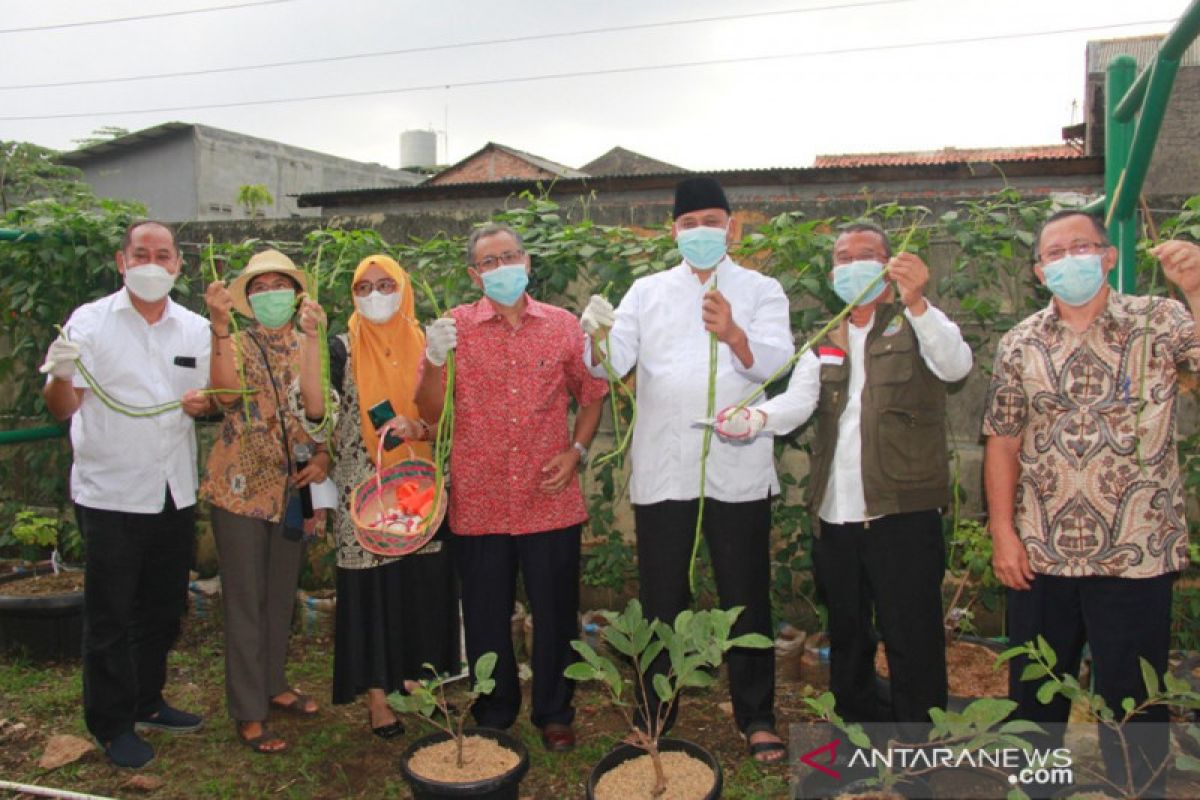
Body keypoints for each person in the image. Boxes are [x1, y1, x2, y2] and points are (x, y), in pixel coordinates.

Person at [712, 221, 972, 729]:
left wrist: (918, 302)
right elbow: (798, 402)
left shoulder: (915, 321)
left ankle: (920, 745)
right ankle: (858, 727)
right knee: (849, 633)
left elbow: (956, 365)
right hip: (836, 514)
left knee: (911, 635)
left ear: (890, 264)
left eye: (867, 254)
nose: (853, 265)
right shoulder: (826, 337)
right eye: (843, 256)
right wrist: (754, 419)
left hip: (901, 511)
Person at [983, 210, 1200, 794]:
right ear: (1039, 271)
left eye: (1083, 246)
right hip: (1040, 552)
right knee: (1033, 697)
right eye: (1056, 251)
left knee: (1133, 700)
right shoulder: (1020, 342)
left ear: (1108, 257)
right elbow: (1002, 442)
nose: (1069, 258)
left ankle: (1137, 789)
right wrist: (1003, 533)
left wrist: (1198, 289)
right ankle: (1037, 789)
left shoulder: (1161, 320)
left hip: (1136, 553)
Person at [578, 176, 794, 762]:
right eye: (688, 222)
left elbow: (776, 364)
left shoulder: (761, 289)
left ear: (731, 225)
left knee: (744, 592)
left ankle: (756, 715)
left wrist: (735, 334)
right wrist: (594, 334)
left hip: (738, 464)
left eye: (711, 220)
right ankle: (655, 711)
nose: (700, 231)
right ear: (673, 230)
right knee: (662, 595)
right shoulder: (646, 292)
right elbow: (609, 365)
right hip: (666, 465)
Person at [415, 222, 607, 753]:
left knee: (554, 612)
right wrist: (433, 359)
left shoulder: (563, 326)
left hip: (549, 495)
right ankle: (494, 708)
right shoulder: (453, 328)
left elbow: (592, 392)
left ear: (527, 261)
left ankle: (554, 711)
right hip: (478, 499)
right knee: (484, 613)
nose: (503, 269)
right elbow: (429, 412)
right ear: (475, 274)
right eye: (490, 262)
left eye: (511, 257)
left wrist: (577, 451)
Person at [40, 221, 210, 768]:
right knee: (110, 614)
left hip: (172, 491)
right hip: (110, 492)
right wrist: (59, 374)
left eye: (163, 255)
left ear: (178, 265)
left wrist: (205, 404)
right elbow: (63, 407)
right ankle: (111, 723)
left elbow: (214, 395)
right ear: (121, 261)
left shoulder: (194, 328)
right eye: (142, 254)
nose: (152, 263)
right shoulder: (89, 323)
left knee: (162, 606)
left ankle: (147, 699)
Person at [301, 254, 458, 740]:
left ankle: (416, 680)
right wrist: (310, 343)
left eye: (385, 284)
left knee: (421, 586)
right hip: (363, 495)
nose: (374, 295)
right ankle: (376, 696)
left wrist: (422, 426)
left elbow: (452, 416)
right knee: (370, 595)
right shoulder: (341, 349)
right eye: (363, 287)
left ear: (404, 287)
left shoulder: (429, 345)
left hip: (422, 492)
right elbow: (314, 413)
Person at [202, 249, 332, 754]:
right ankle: (248, 709)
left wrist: (322, 457)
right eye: (259, 287)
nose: (271, 294)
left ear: (297, 294)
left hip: (292, 489)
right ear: (247, 299)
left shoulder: (312, 343)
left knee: (280, 594)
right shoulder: (232, 342)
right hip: (238, 490)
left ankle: (274, 684)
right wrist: (217, 326)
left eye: (280, 284)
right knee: (245, 601)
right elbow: (226, 396)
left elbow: (320, 410)